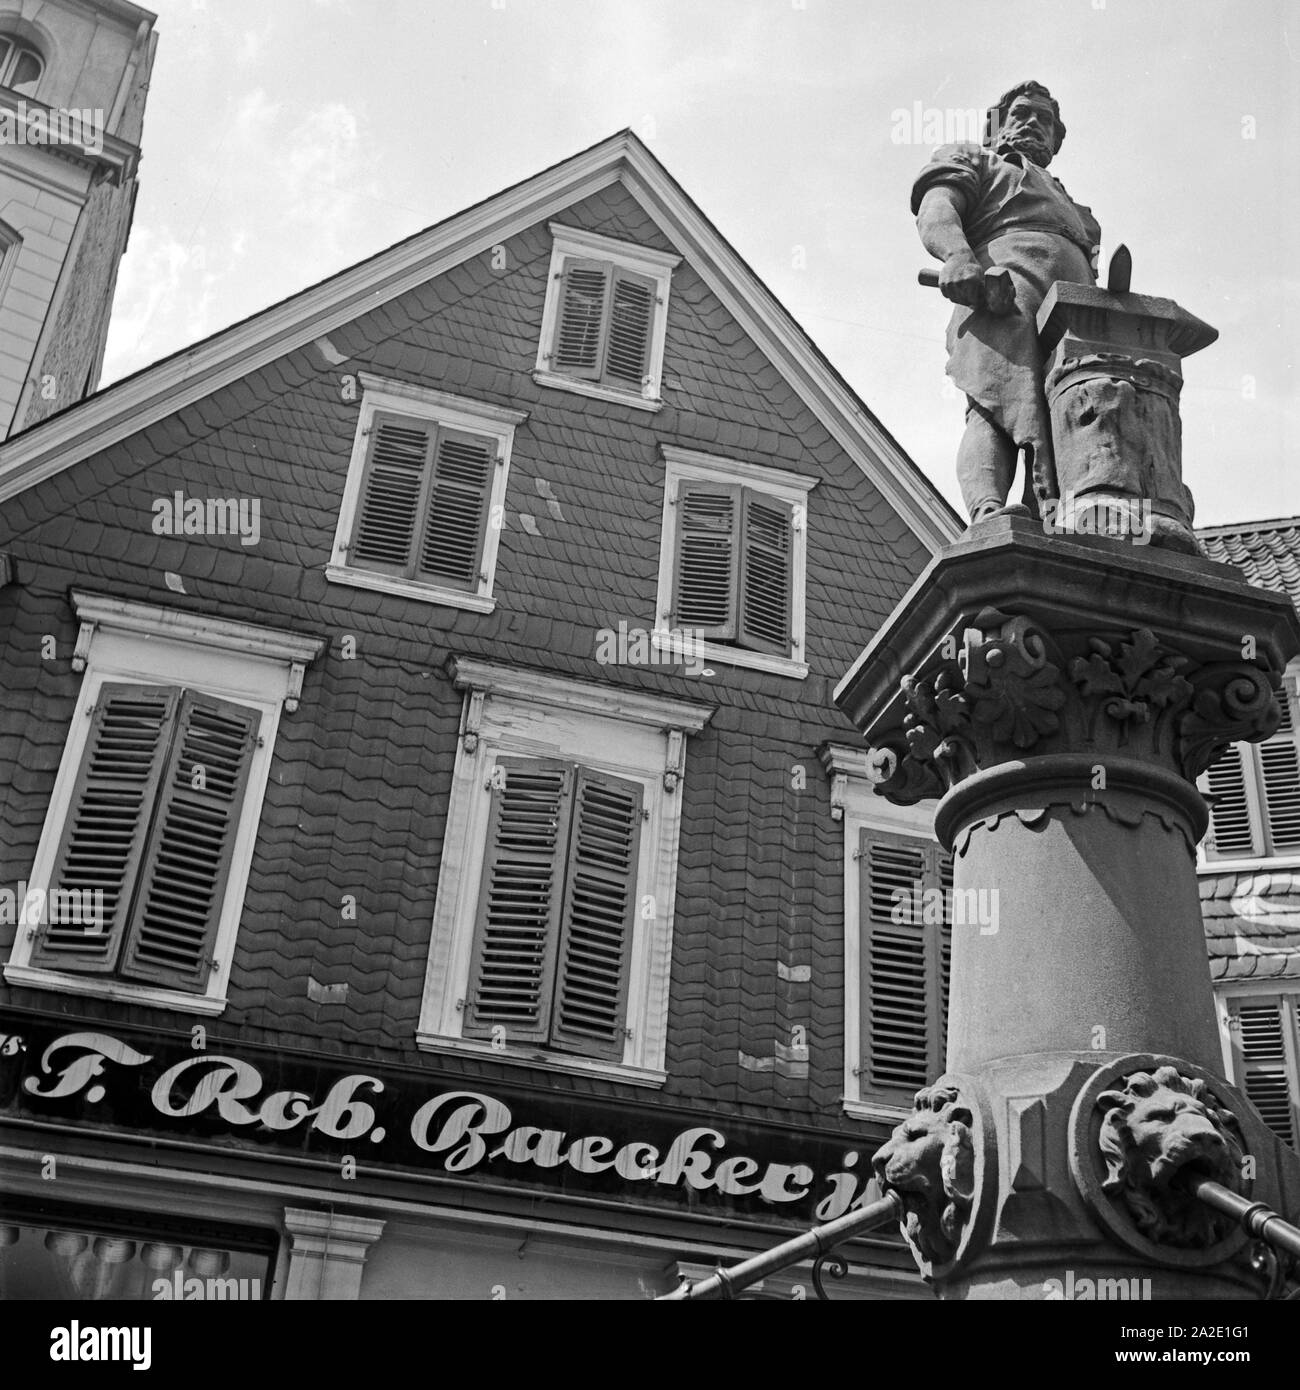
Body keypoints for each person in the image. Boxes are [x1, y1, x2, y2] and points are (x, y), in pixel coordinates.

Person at [913, 81, 1101, 521]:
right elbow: (937, 207)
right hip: (1003, 292)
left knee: (1070, 412)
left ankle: (1052, 518)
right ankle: (987, 510)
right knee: (995, 400)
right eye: (1022, 113)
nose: (1035, 123)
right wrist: (958, 256)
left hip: (1074, 316)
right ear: (995, 128)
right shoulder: (975, 161)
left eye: (1046, 120)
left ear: (1055, 141)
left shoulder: (1080, 213)